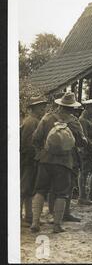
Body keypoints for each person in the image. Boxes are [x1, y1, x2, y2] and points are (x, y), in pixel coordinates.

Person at [30, 92, 87, 233]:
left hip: (45, 160)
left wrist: (42, 151)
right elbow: (81, 142)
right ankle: (57, 225)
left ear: (59, 105)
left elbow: (36, 138)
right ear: (72, 107)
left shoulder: (47, 117)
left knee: (40, 190)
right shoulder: (74, 121)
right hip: (65, 162)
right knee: (62, 193)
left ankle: (35, 223)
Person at [20, 96, 48, 226]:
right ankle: (18, 217)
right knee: (24, 188)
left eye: (43, 106)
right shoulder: (31, 122)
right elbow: (28, 144)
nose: (43, 108)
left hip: (32, 159)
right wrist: (35, 158)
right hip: (29, 160)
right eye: (39, 106)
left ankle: (29, 216)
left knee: (30, 188)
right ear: (32, 108)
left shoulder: (35, 120)